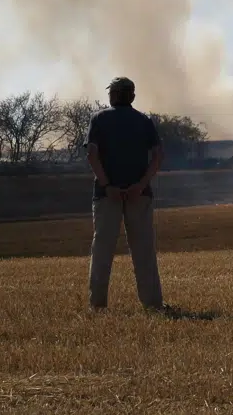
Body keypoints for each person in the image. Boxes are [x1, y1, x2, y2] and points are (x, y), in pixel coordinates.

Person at [86, 76, 164, 312]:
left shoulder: (99, 119)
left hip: (106, 195)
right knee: (144, 251)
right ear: (132, 96)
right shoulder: (144, 121)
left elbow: (91, 154)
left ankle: (97, 305)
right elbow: (158, 155)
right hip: (139, 195)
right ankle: (152, 304)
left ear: (113, 95)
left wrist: (107, 185)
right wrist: (141, 185)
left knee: (102, 250)